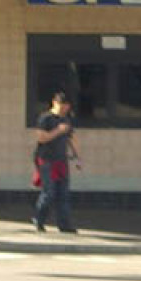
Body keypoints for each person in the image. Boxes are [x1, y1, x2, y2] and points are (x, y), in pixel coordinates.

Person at [33, 91, 80, 233]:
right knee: (49, 192)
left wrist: (77, 157)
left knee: (63, 194)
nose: (64, 109)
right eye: (61, 105)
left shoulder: (66, 120)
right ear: (54, 103)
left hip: (61, 160)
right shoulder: (45, 118)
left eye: (66, 106)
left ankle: (64, 224)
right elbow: (41, 138)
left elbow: (72, 139)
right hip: (46, 159)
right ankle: (39, 219)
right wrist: (58, 131)